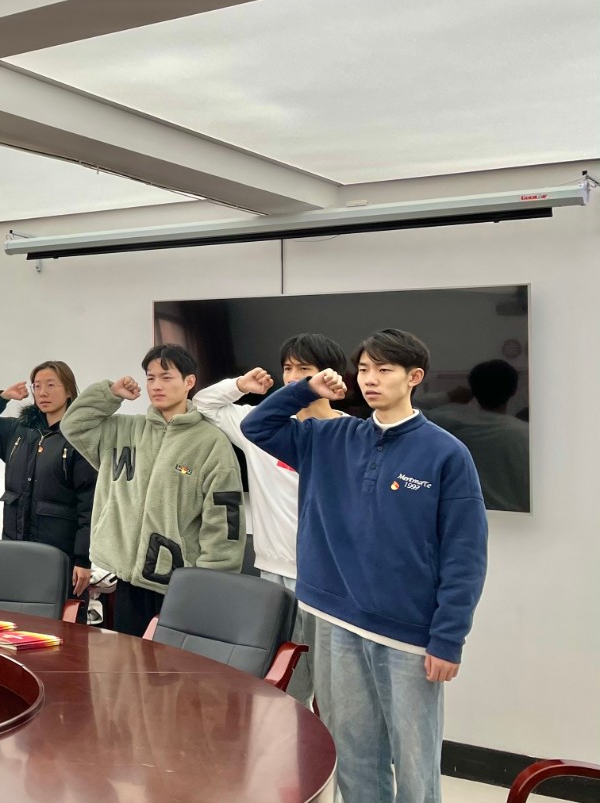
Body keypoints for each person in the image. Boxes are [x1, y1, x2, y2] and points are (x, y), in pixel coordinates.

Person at [243, 329, 488, 803]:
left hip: (406, 632)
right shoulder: (328, 436)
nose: (370, 379)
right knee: (353, 753)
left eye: (384, 370)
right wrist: (305, 388)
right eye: (363, 370)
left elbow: (466, 553)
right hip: (334, 618)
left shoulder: (446, 453)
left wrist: (448, 637)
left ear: (414, 377)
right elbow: (259, 427)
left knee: (415, 762)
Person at [190, 333, 347, 704]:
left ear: (328, 374)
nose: (292, 377)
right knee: (277, 681)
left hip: (325, 578)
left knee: (331, 683)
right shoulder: (259, 425)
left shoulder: (350, 433)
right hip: (271, 572)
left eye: (303, 369)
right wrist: (240, 386)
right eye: (287, 368)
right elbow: (203, 404)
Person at [64, 344, 244, 637]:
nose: (156, 385)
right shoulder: (124, 430)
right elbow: (73, 424)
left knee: (169, 663)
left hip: (177, 584)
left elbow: (225, 520)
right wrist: (110, 394)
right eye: (150, 378)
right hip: (125, 579)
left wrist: (209, 583)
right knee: (127, 660)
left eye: (166, 377)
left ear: (189, 381)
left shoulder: (211, 442)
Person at [0, 362, 97, 603]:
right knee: (13, 616)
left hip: (58, 555)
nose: (43, 393)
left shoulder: (79, 437)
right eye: (37, 386)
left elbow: (89, 504)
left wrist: (83, 559)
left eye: (51, 385)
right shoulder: (19, 430)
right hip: (15, 549)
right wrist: (2, 397)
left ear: (69, 390)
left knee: (55, 619)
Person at [424, 359, 530, 512]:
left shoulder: (446, 424)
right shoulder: (526, 435)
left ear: (473, 391)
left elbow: (401, 410)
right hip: (515, 518)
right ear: (514, 390)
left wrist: (448, 396)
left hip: (464, 516)